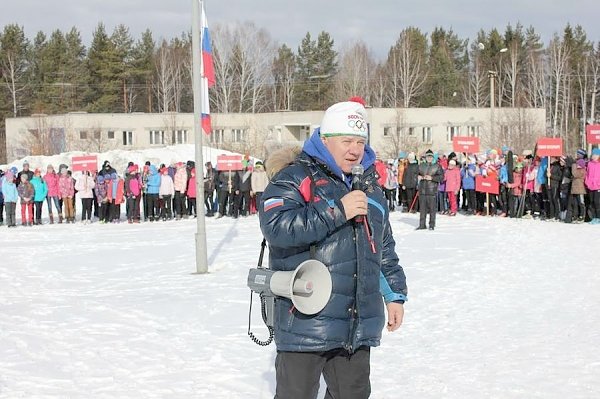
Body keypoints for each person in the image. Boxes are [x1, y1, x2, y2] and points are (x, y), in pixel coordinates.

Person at [259, 100, 407, 399]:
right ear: (324, 140)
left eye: (360, 141)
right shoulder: (295, 176)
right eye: (347, 141)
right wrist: (337, 210)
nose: (355, 149)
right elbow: (277, 227)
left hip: (355, 322)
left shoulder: (369, 187)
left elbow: (383, 246)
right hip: (304, 317)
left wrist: (394, 294)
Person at [417, 149, 444, 230]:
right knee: (422, 209)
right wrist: (419, 177)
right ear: (425, 157)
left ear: (433, 157)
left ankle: (431, 225)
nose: (429, 158)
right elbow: (416, 174)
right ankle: (422, 225)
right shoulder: (421, 165)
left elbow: (441, 177)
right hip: (422, 190)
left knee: (432, 209)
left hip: (432, 190)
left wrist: (432, 178)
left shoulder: (437, 166)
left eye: (430, 157)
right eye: (428, 156)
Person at [585, 148, 600, 224]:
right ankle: (593, 218)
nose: (594, 156)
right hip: (590, 186)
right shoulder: (589, 164)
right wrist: (587, 182)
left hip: (598, 187)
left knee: (597, 202)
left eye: (596, 155)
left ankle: (598, 217)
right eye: (593, 155)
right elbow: (587, 174)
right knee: (591, 202)